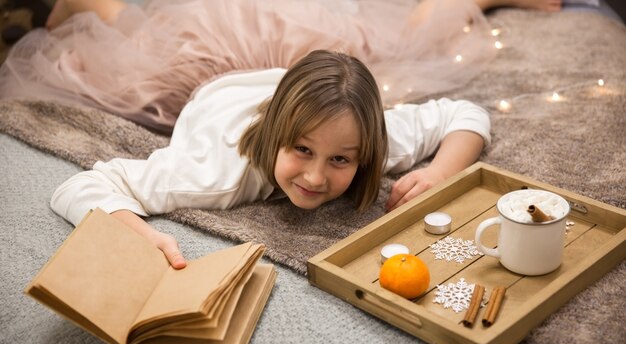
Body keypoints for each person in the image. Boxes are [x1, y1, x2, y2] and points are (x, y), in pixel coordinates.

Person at [0, 0, 558, 269]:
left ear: (365, 150)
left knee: (390, 45)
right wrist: (138, 234)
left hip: (289, 69)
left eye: (341, 161)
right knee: (131, 55)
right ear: (277, 138)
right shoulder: (213, 170)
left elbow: (467, 114)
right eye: (302, 152)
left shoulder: (371, 134)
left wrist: (437, 172)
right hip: (212, 72)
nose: (316, 177)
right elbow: (81, 187)